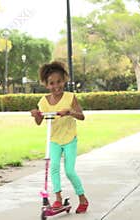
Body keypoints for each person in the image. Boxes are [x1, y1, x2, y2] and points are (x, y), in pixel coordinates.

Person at [30, 61, 89, 214]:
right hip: (54, 140)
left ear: (64, 80)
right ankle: (57, 198)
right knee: (53, 167)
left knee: (69, 171)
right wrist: (37, 114)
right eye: (51, 83)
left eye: (59, 82)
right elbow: (39, 122)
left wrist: (69, 112)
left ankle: (82, 198)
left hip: (70, 139)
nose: (56, 86)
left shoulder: (70, 97)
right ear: (46, 84)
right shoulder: (43, 101)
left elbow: (81, 116)